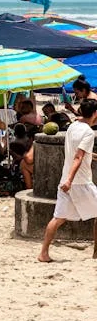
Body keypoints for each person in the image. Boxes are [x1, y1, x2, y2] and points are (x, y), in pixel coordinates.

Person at [38, 99, 97, 262]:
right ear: (95, 114)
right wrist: (70, 180)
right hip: (80, 182)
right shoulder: (89, 133)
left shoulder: (72, 127)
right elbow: (78, 156)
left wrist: (91, 156)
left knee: (58, 219)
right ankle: (96, 253)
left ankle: (43, 253)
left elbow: (76, 152)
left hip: (66, 180)